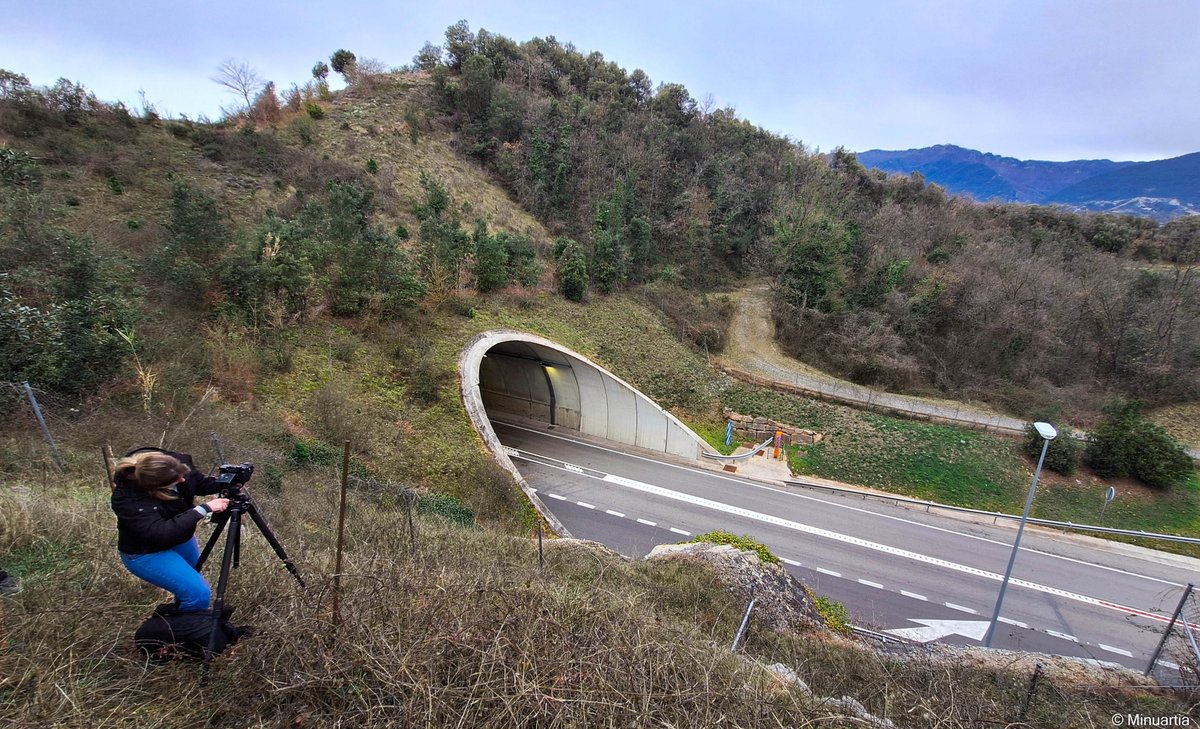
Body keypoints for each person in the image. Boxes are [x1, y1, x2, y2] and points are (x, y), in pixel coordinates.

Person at [111, 449, 229, 613]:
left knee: (190, 585)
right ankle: (183, 631)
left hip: (181, 538)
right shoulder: (128, 501)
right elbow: (160, 533)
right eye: (176, 480)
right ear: (156, 487)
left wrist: (227, 482)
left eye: (182, 474)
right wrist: (203, 509)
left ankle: (185, 617)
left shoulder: (173, 466)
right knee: (198, 593)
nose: (182, 479)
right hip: (147, 552)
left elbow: (197, 483)